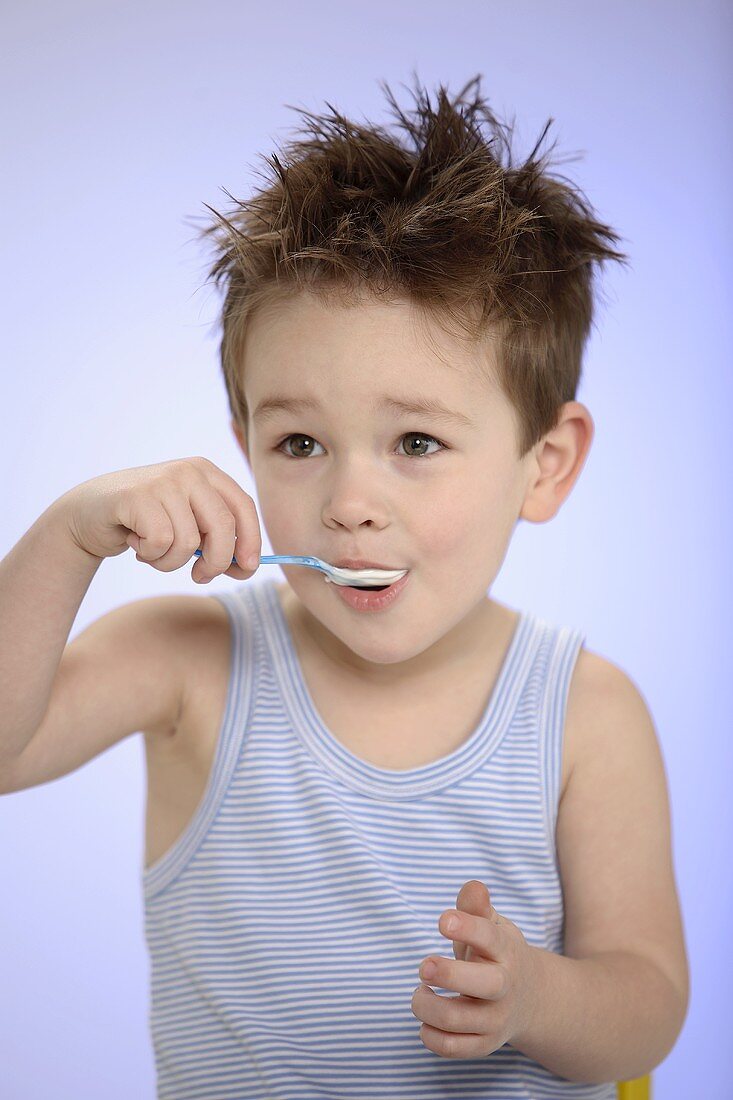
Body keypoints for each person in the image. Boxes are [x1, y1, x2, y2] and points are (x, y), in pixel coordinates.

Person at [0, 75, 689, 1098]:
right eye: (299, 442)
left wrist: (537, 998)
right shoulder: (189, 665)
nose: (349, 501)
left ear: (543, 463)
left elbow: (648, 1003)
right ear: (242, 444)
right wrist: (68, 534)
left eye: (415, 440)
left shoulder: (584, 712)